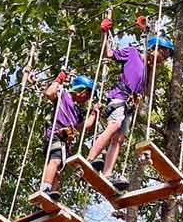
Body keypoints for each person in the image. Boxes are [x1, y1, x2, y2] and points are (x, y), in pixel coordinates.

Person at [86, 21, 174, 190]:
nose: (163, 58)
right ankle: (91, 158)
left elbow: (146, 92)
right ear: (152, 48)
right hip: (119, 97)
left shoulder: (148, 71)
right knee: (114, 125)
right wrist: (105, 33)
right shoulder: (132, 53)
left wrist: (151, 73)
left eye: (165, 57)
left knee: (119, 139)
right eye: (162, 53)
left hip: (129, 106)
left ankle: (107, 174)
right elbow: (109, 54)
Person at [40, 73, 99, 200]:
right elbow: (49, 93)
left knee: (58, 171)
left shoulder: (78, 112)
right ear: (79, 89)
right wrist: (60, 77)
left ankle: (51, 196)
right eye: (87, 94)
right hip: (55, 135)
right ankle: (45, 189)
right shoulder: (63, 95)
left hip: (65, 143)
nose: (87, 98)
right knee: (55, 161)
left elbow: (84, 126)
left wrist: (94, 113)